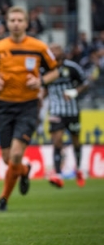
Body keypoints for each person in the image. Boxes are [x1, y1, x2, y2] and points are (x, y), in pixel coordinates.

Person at [0, 6, 58, 212]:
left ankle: (3, 199)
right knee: (8, 159)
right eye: (12, 20)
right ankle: (24, 171)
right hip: (5, 106)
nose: (16, 23)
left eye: (19, 20)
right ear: (7, 23)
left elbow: (55, 71)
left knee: (16, 154)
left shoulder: (39, 46)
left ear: (26, 23)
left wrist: (41, 80)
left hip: (28, 106)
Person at [43, 43, 88, 188]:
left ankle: (79, 169)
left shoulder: (72, 67)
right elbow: (43, 89)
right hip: (56, 110)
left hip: (72, 111)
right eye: (51, 51)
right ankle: (58, 174)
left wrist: (75, 92)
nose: (53, 53)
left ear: (62, 53)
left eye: (56, 50)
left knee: (75, 141)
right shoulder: (45, 69)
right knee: (57, 140)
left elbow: (85, 83)